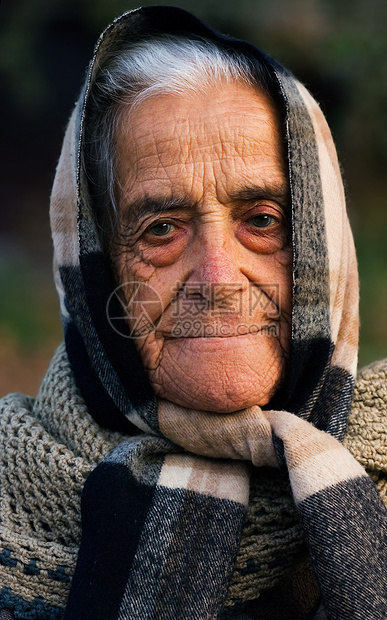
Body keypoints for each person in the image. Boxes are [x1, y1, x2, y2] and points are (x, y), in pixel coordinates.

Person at [0, 6, 386, 619]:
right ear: (95, 263)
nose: (216, 277)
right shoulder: (12, 503)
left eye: (262, 221)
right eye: (161, 230)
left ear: (322, 246)